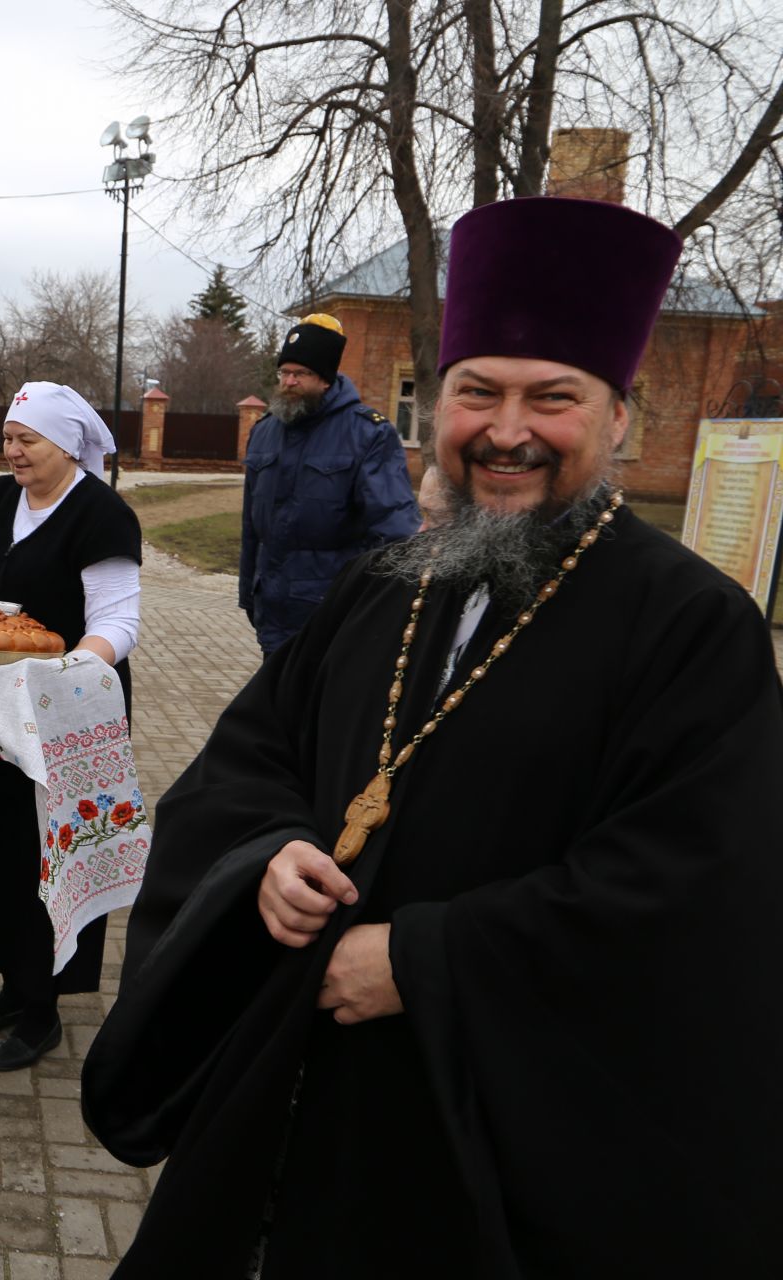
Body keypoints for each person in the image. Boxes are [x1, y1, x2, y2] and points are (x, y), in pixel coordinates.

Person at [80, 196, 783, 1277]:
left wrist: (427, 957)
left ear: (619, 417)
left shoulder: (690, 626)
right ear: (438, 407)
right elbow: (252, 756)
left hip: (494, 1141)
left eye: (553, 397)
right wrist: (267, 855)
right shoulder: (383, 582)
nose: (507, 430)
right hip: (296, 1085)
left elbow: (692, 888)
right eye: (476, 393)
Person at [0, 382, 142, 1071]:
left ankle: (45, 1007)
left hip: (69, 708)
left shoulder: (101, 512)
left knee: (55, 852)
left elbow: (118, 622)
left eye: (28, 440)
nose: (13, 451)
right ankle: (12, 985)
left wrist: (60, 675)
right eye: (9, 438)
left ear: (66, 444)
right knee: (2, 848)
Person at [239, 313, 419, 653]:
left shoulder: (367, 434)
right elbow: (251, 526)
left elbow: (394, 531)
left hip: (333, 613)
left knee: (322, 705)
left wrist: (375, 608)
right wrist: (248, 592)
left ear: (325, 379)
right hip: (272, 610)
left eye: (301, 373)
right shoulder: (264, 432)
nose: (289, 382)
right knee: (275, 704)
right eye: (284, 373)